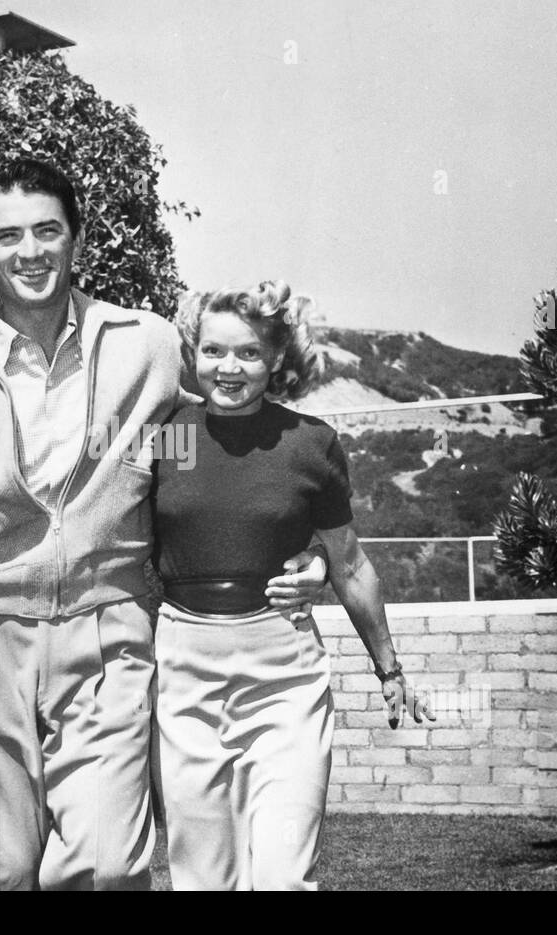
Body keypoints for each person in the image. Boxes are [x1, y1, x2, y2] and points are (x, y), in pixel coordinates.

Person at [0, 159, 328, 890]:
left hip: (109, 634)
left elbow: (239, 442)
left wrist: (309, 552)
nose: (30, 251)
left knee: (105, 864)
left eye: (48, 231)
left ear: (76, 239)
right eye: (8, 236)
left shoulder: (150, 347)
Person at [149, 280, 428, 891]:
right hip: (183, 671)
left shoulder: (309, 443)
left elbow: (350, 563)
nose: (229, 368)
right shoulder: (171, 437)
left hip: (283, 674)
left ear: (277, 359)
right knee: (202, 878)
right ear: (193, 353)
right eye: (214, 351)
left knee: (281, 876)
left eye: (248, 353)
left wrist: (390, 669)